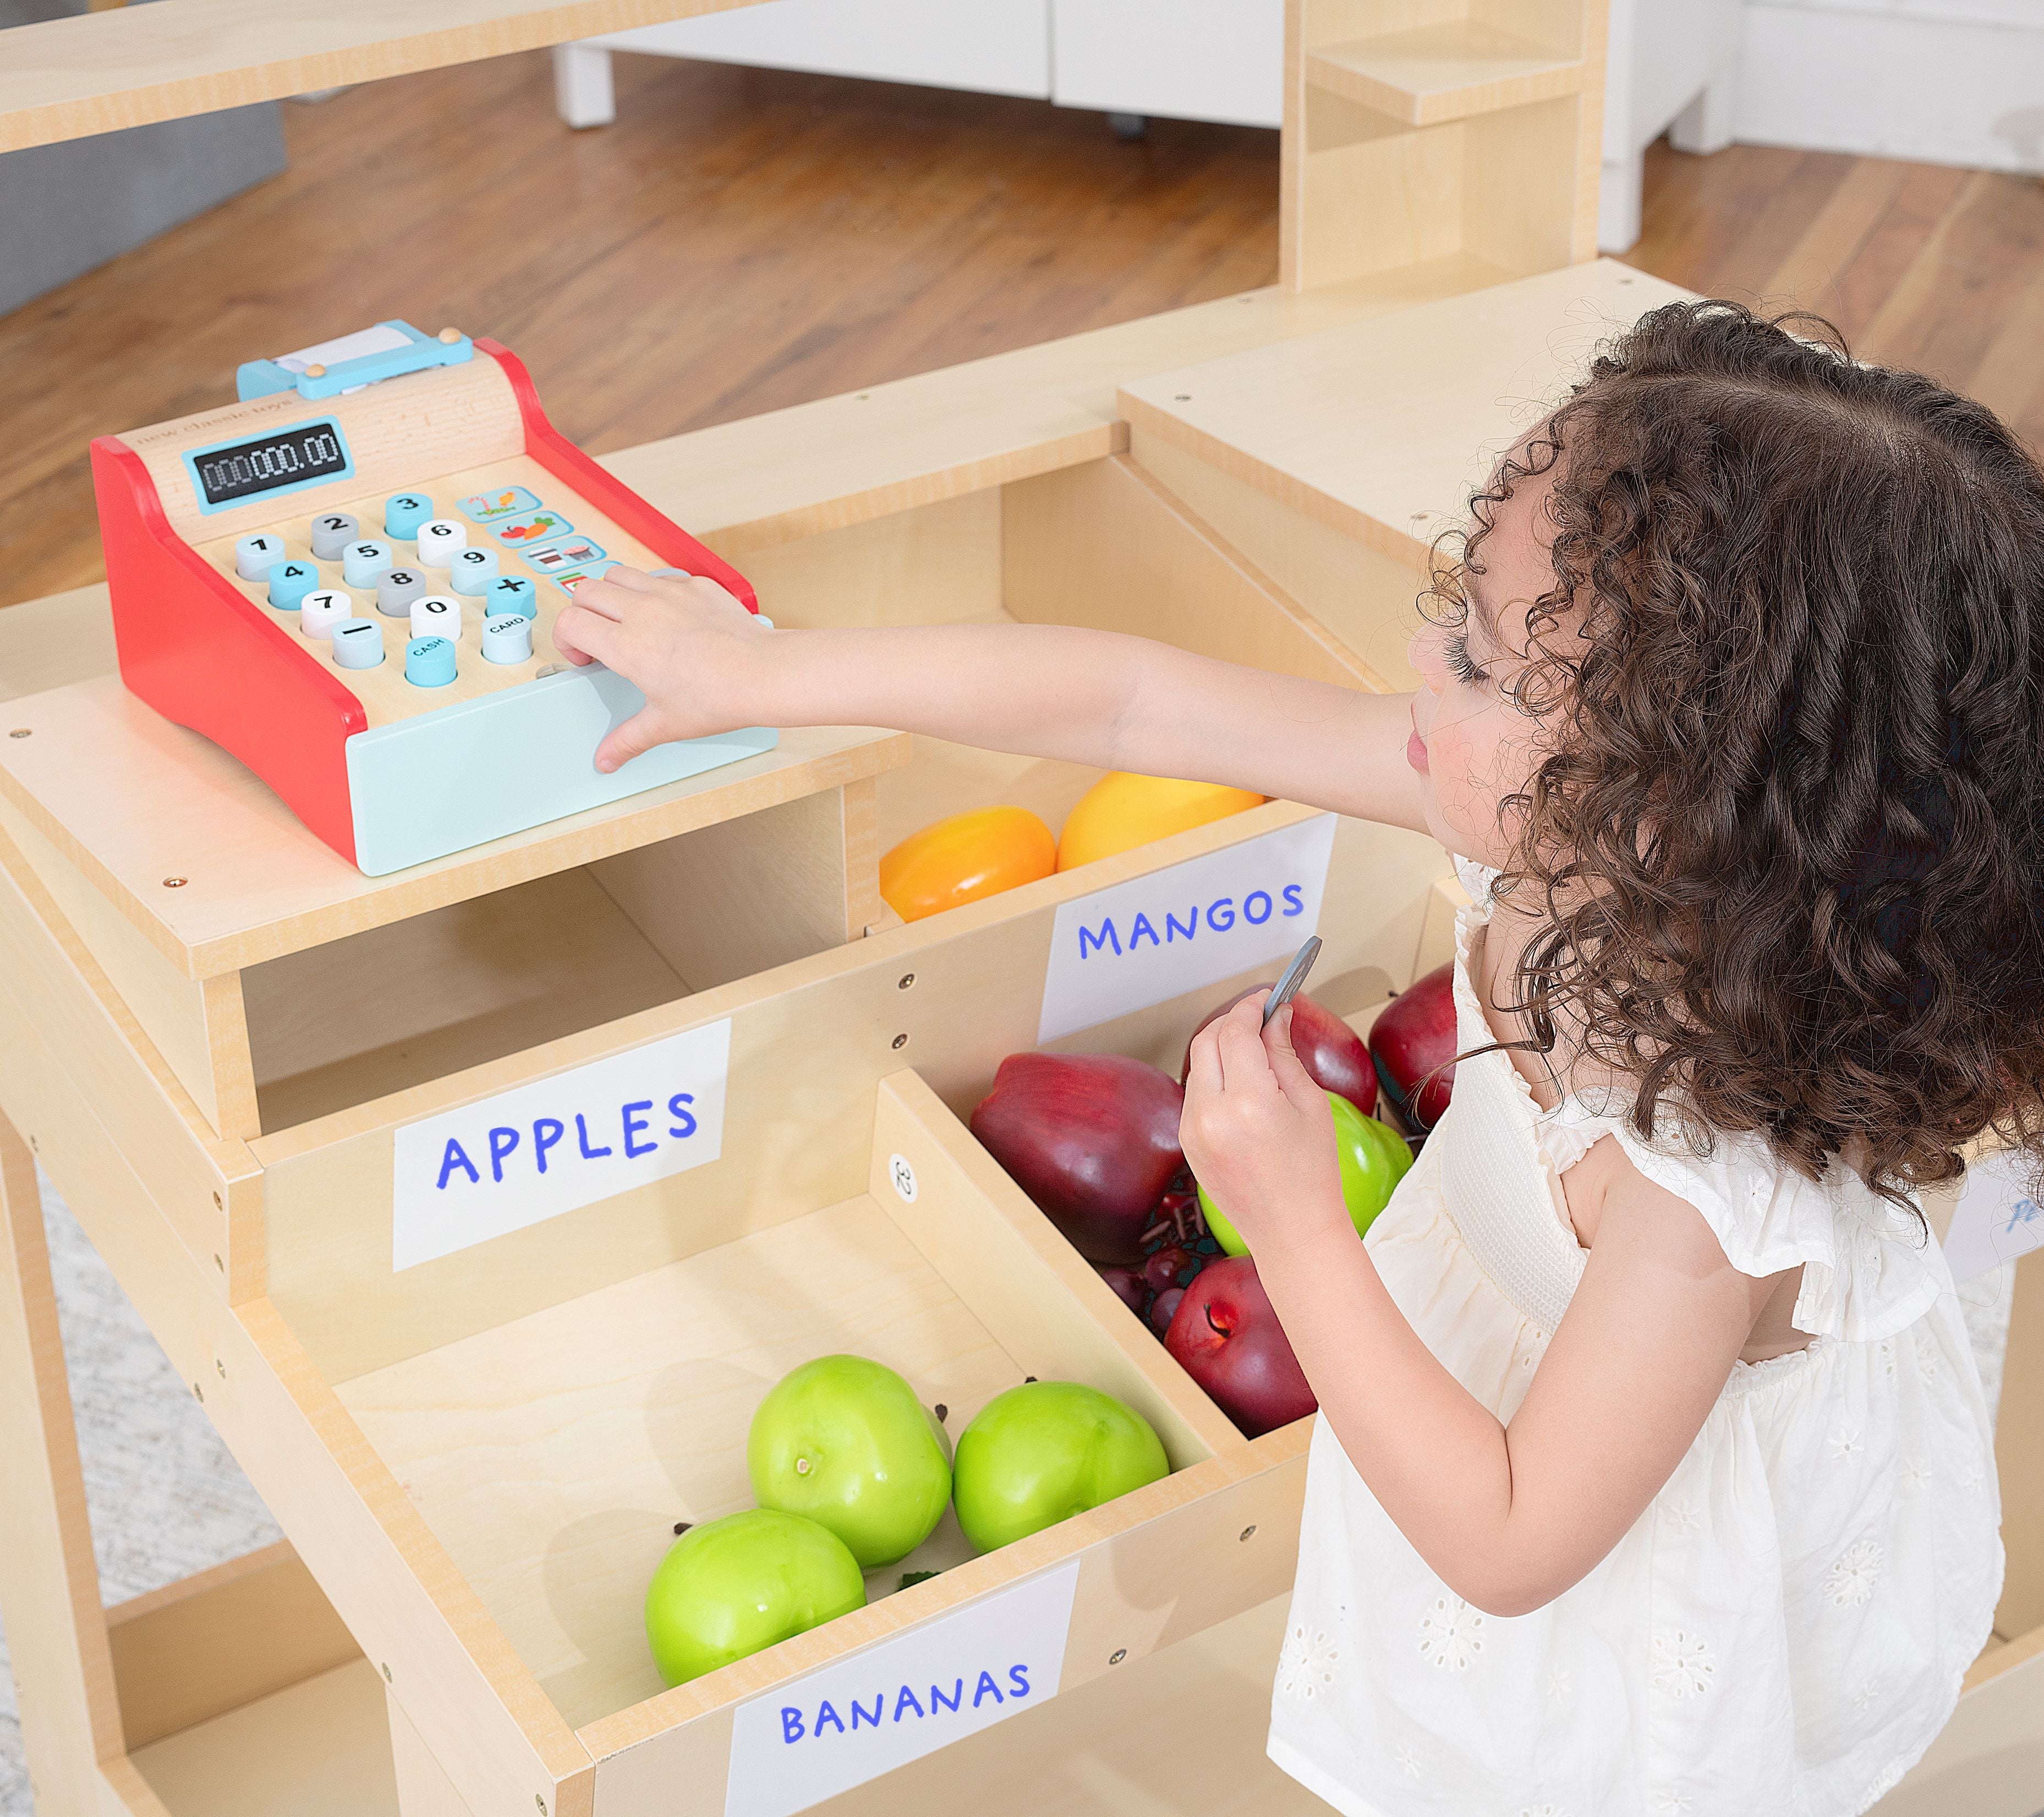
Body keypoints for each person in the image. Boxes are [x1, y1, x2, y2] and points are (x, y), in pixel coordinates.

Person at [556, 301, 2032, 1815]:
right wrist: (758, 672)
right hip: (1499, 1413)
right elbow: (1135, 698)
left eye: (1471, 657)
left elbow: (1511, 1542)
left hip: (1611, 1584)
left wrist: (1292, 1221)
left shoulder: (1700, 1198)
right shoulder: (1568, 867)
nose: (1415, 658)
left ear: (1665, 810)